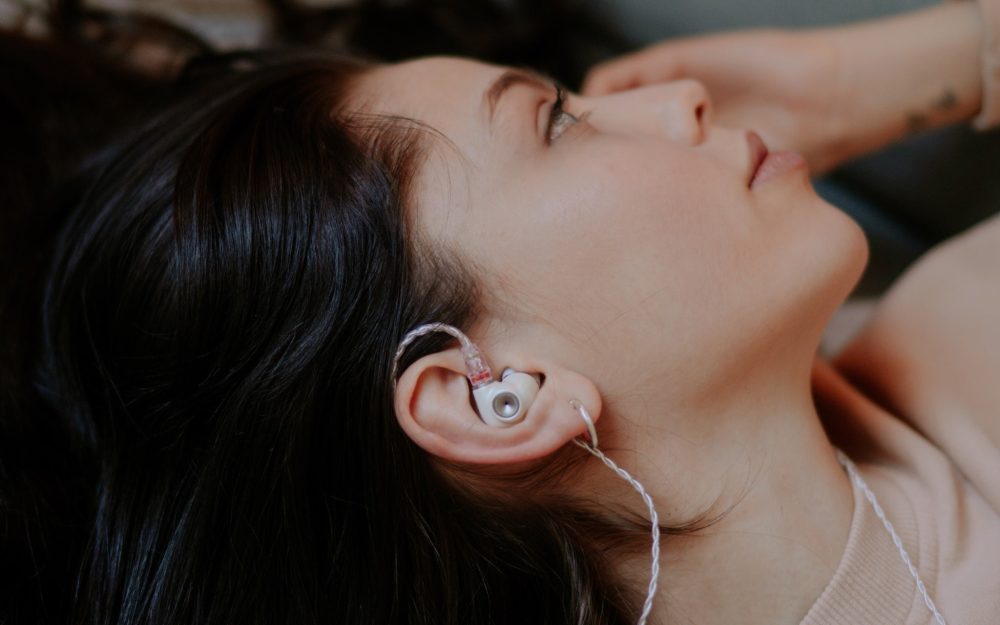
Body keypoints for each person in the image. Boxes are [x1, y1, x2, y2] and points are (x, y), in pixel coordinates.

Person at [1, 2, 998, 625]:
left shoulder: (942, 339)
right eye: (558, 123)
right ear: (494, 397)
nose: (682, 96)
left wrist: (870, 77)